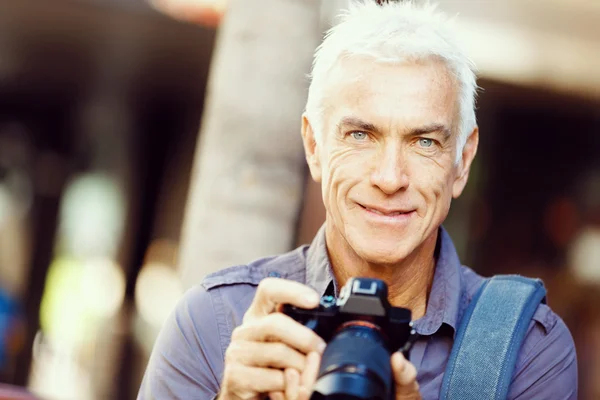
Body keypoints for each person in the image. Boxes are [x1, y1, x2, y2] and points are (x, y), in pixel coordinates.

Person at [138, 1, 578, 399]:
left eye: (423, 142)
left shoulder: (525, 348)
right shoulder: (216, 324)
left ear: (462, 162)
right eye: (360, 135)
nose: (389, 178)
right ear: (314, 147)